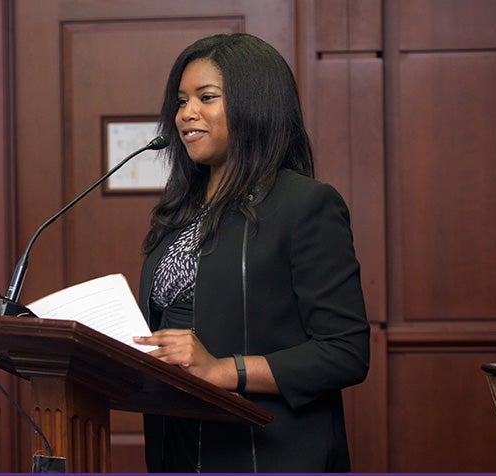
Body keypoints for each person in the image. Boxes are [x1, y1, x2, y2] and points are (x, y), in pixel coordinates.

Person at [132, 33, 370, 472]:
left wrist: (226, 370)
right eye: (181, 101)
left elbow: (345, 352)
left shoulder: (305, 204)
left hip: (267, 452)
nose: (186, 114)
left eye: (206, 97)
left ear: (254, 104)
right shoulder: (177, 212)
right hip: (176, 443)